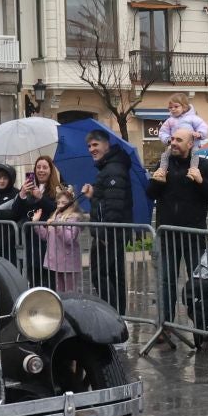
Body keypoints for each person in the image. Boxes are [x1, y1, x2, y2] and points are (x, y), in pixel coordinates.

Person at [144, 126, 208, 350]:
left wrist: (200, 181)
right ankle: (165, 326)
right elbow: (150, 194)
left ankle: (203, 327)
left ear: (191, 144)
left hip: (193, 235)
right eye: (172, 139)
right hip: (167, 235)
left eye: (179, 140)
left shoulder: (204, 165)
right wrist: (155, 181)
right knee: (166, 282)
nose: (174, 143)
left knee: (198, 282)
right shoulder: (164, 163)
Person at [81, 130, 136, 314]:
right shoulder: (109, 167)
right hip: (112, 233)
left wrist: (105, 234)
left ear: (107, 145)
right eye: (89, 146)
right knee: (113, 275)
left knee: (100, 274)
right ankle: (118, 316)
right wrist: (92, 196)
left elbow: (114, 208)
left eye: (95, 145)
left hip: (110, 234)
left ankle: (113, 315)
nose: (91, 149)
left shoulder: (113, 169)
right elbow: (108, 202)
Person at [42, 186, 85, 294]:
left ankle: (72, 311)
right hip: (56, 261)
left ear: (71, 204)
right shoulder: (56, 216)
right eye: (58, 202)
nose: (60, 205)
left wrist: (58, 226)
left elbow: (69, 239)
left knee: (71, 292)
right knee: (59, 291)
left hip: (69, 263)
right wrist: (35, 224)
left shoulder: (74, 218)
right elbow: (46, 236)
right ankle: (63, 310)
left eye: (64, 202)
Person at [155, 95, 208, 174]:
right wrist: (167, 139)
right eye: (170, 107)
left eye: (176, 106)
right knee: (165, 155)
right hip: (174, 145)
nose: (173, 109)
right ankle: (162, 171)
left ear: (184, 107)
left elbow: (203, 126)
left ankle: (193, 170)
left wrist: (199, 133)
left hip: (192, 144)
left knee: (194, 154)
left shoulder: (192, 118)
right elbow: (162, 132)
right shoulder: (170, 120)